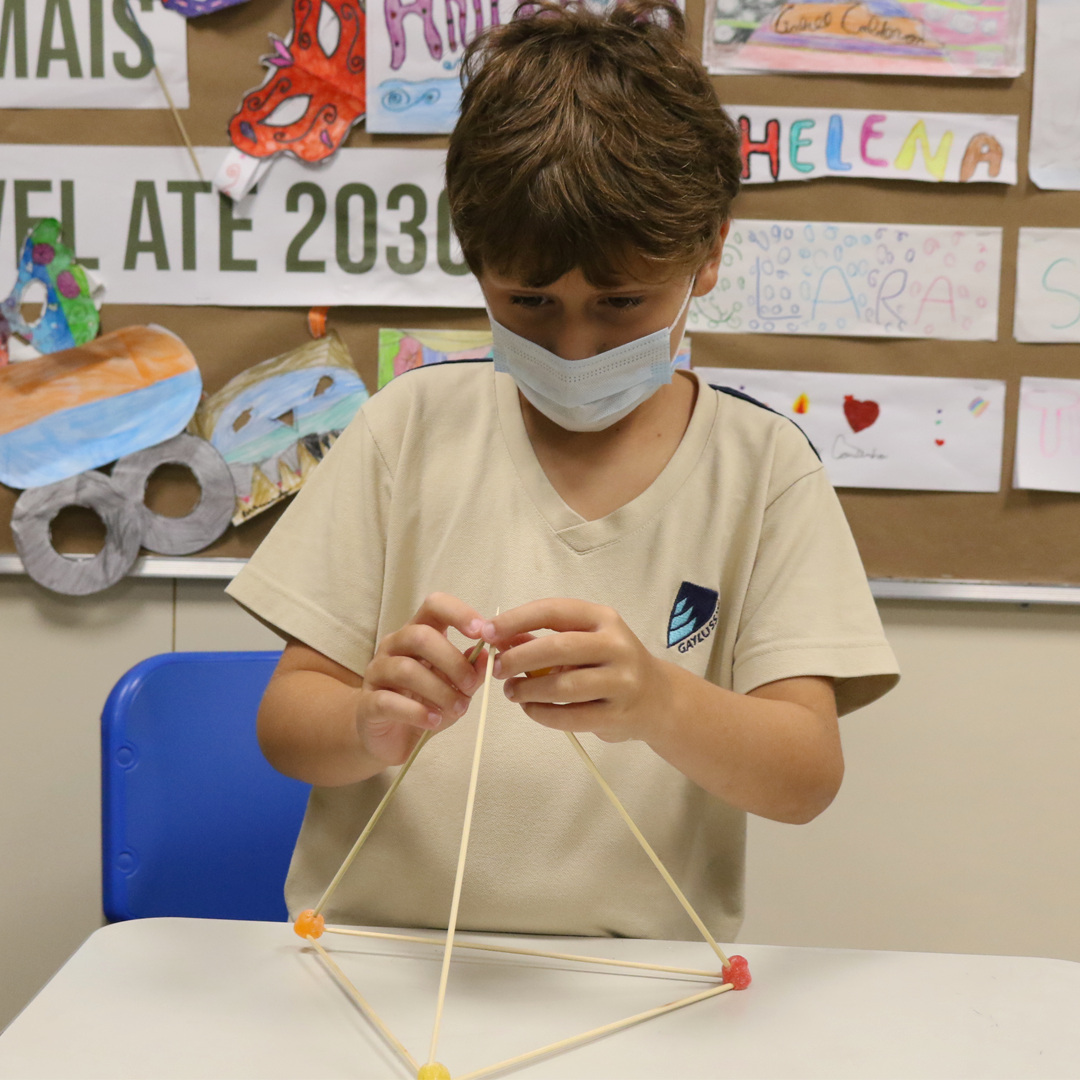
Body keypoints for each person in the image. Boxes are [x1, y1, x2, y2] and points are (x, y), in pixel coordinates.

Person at [227, 0, 899, 943]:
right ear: (476, 264)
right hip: (383, 965)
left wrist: (660, 700)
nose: (575, 346)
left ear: (708, 254)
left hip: (641, 984)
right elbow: (287, 723)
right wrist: (364, 725)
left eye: (621, 303)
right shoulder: (404, 431)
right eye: (530, 302)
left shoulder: (764, 472)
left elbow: (804, 779)